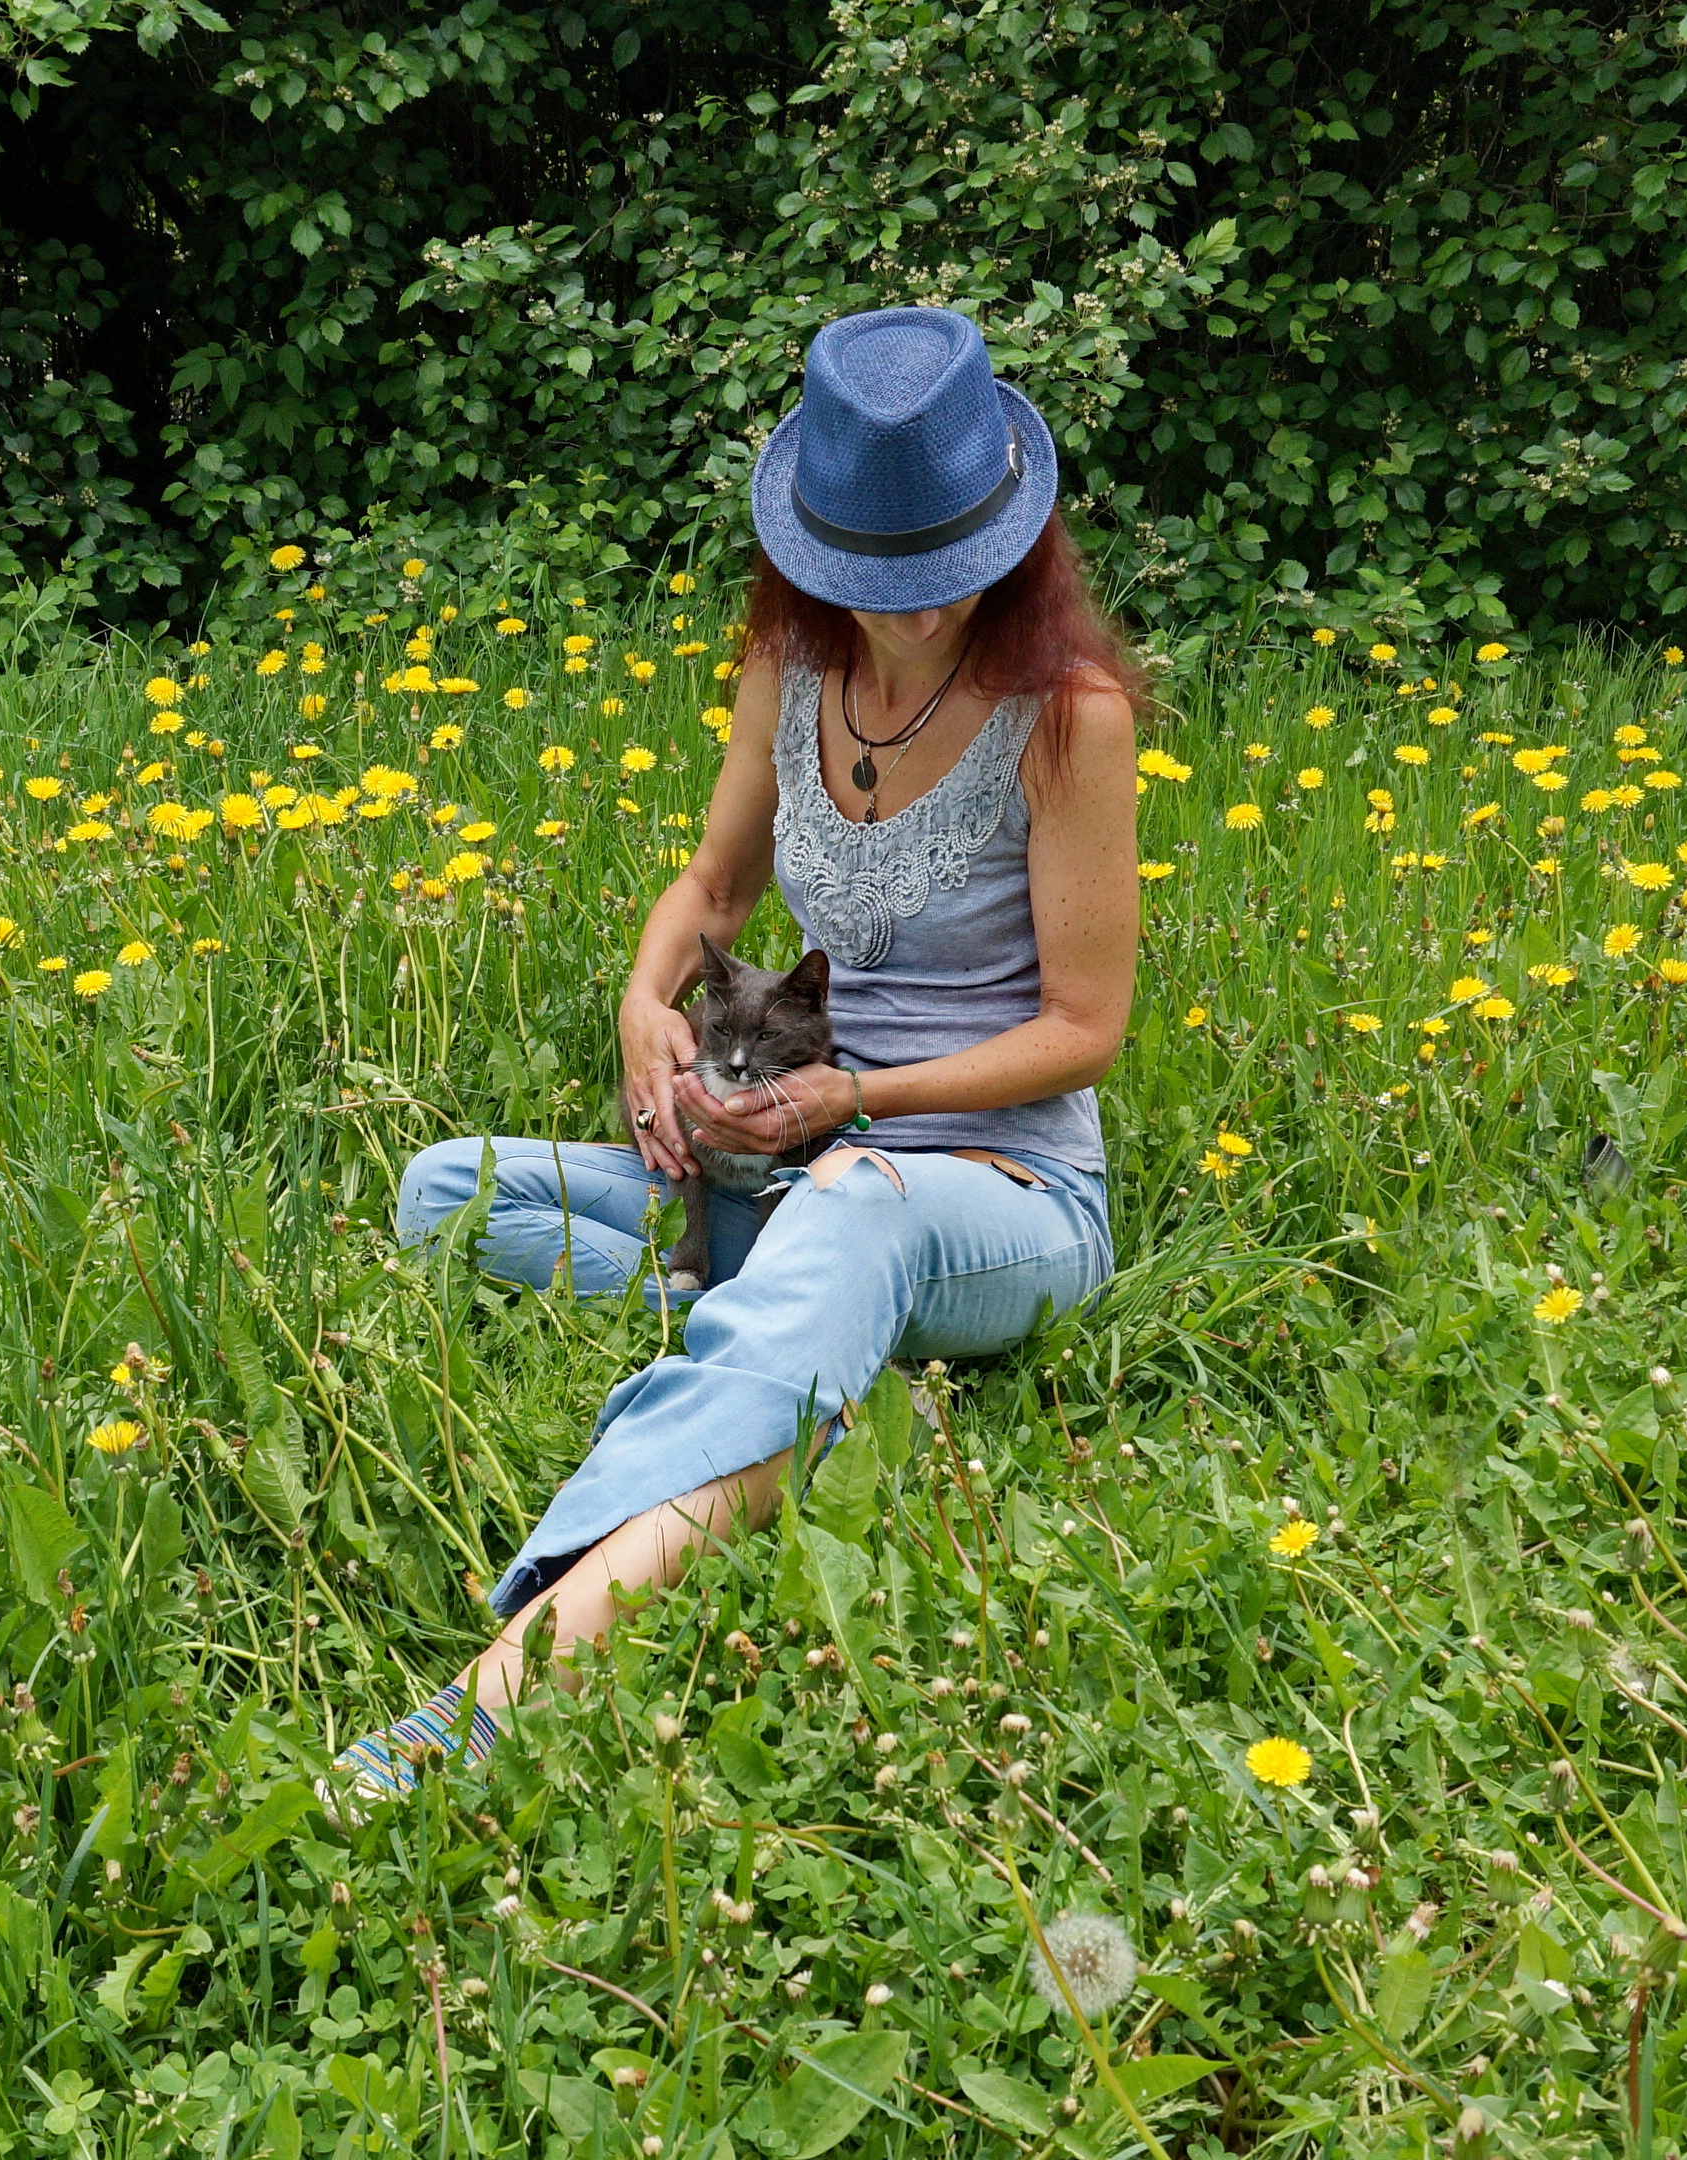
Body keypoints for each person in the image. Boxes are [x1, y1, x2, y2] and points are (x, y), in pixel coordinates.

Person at [338, 304, 1146, 1797]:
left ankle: (504, 1683)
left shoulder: (1069, 718)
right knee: (443, 1190)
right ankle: (792, 1343)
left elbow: (1085, 1034)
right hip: (777, 1159)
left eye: (946, 572)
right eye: (877, 579)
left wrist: (857, 1099)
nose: (914, 614)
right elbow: (713, 887)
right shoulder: (788, 662)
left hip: (991, 1183)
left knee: (852, 1201)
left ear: (1013, 539)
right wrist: (643, 1012)